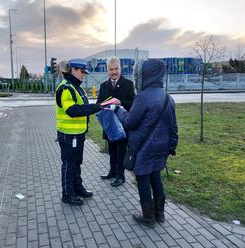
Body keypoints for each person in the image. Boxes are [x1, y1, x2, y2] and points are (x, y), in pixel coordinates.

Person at [104, 59, 178, 227]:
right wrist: (172, 147)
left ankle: (148, 217)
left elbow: (130, 122)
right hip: (162, 148)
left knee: (143, 179)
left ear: (144, 75)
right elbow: (174, 127)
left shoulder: (143, 97)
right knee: (156, 178)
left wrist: (119, 110)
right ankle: (160, 214)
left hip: (144, 148)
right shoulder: (168, 98)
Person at [55, 58, 102, 206]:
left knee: (76, 163)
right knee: (69, 164)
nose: (83, 75)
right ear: (73, 70)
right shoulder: (66, 88)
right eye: (82, 72)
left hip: (78, 134)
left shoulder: (77, 88)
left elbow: (82, 107)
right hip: (68, 135)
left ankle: (77, 188)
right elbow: (72, 111)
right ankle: (67, 194)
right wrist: (96, 107)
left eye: (85, 73)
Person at [96, 56, 135, 187]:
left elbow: (134, 104)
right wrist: (103, 104)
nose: (114, 71)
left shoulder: (129, 84)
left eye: (116, 68)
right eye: (111, 69)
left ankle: (120, 176)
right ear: (107, 70)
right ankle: (112, 172)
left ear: (120, 68)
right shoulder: (103, 86)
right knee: (111, 150)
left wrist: (120, 102)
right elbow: (98, 104)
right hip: (109, 125)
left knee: (121, 151)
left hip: (122, 124)